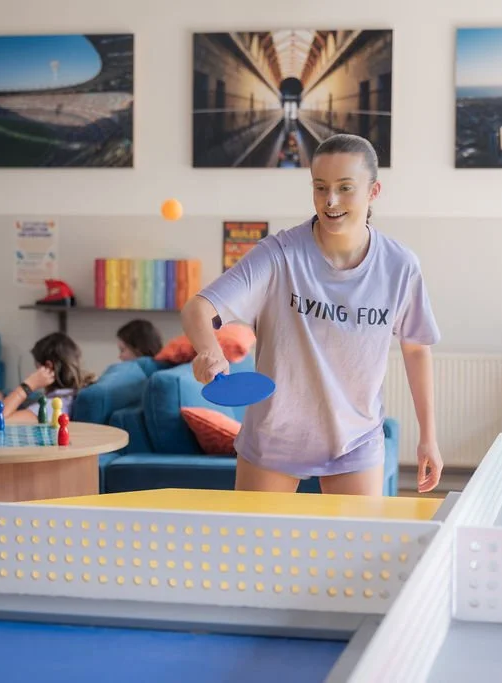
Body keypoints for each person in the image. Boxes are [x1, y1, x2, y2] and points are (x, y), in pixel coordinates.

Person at [181, 133, 444, 496]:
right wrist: (209, 351)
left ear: (373, 191)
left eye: (345, 187)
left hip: (356, 440)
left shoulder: (400, 266)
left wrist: (428, 437)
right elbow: (199, 308)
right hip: (275, 439)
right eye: (320, 187)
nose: (330, 200)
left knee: (355, 552)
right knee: (257, 552)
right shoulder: (278, 255)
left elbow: (416, 349)